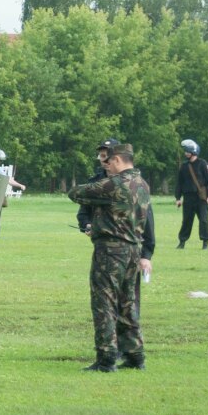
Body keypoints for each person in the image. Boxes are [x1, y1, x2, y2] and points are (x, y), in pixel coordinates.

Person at [70, 142, 155, 372]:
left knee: (104, 302)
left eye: (108, 160)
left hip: (110, 250)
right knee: (128, 303)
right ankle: (135, 355)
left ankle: (106, 358)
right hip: (133, 250)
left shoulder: (115, 184)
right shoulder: (142, 183)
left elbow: (75, 193)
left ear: (117, 159)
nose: (106, 165)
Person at [175, 139, 208, 249]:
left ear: (193, 151)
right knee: (186, 221)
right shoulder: (184, 166)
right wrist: (178, 198)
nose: (186, 153)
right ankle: (182, 242)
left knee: (203, 221)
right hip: (188, 198)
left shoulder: (203, 164)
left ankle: (205, 243)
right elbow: (179, 183)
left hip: (201, 198)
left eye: (188, 151)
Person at [75, 139, 113, 235]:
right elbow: (83, 211)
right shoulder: (94, 181)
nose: (105, 160)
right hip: (101, 238)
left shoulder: (131, 182)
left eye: (108, 156)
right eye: (102, 156)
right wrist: (87, 225)